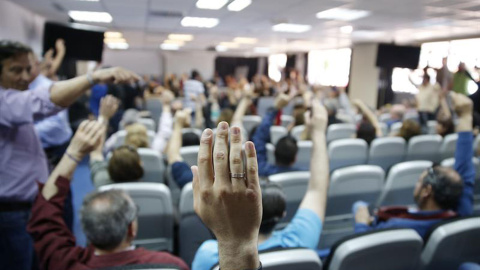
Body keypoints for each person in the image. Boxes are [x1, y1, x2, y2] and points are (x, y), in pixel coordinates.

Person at [0, 40, 139, 270]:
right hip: (13, 212)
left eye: (28, 69)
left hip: (36, 202)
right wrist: (93, 77)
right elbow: (43, 101)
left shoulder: (12, 101)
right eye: (16, 70)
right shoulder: (6, 102)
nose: (25, 77)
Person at [26, 120, 188, 270]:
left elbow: (44, 212)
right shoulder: (170, 265)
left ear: (86, 231)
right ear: (131, 229)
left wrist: (73, 152)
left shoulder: (65, 263)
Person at [193, 98, 330, 270]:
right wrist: (318, 132)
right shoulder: (300, 241)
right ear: (282, 214)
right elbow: (317, 190)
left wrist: (232, 243)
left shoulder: (209, 254)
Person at [354, 92, 475, 238]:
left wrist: (361, 224)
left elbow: (365, 245)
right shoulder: (461, 214)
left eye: (419, 181)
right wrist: (466, 116)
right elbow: (465, 170)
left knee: (358, 206)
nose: (416, 184)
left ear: (426, 191)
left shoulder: (397, 227)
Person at [252, 93, 306, 177]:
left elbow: (259, 139)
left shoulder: (263, 171)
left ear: (274, 153)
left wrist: (275, 108)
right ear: (295, 158)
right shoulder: (307, 176)